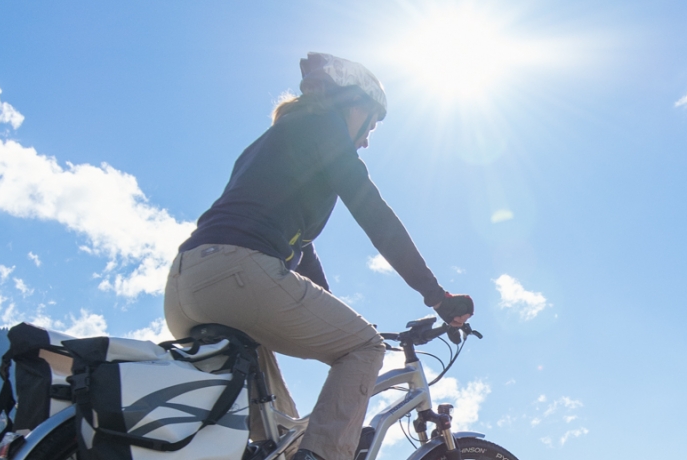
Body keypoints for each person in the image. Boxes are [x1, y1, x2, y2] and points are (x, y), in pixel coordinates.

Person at [163, 52, 474, 460]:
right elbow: (376, 217)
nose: (365, 139)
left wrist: (330, 307)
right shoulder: (325, 127)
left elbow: (301, 249)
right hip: (237, 275)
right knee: (364, 348)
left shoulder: (280, 137)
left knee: (282, 441)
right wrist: (436, 296)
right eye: (372, 125)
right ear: (353, 103)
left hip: (186, 286)